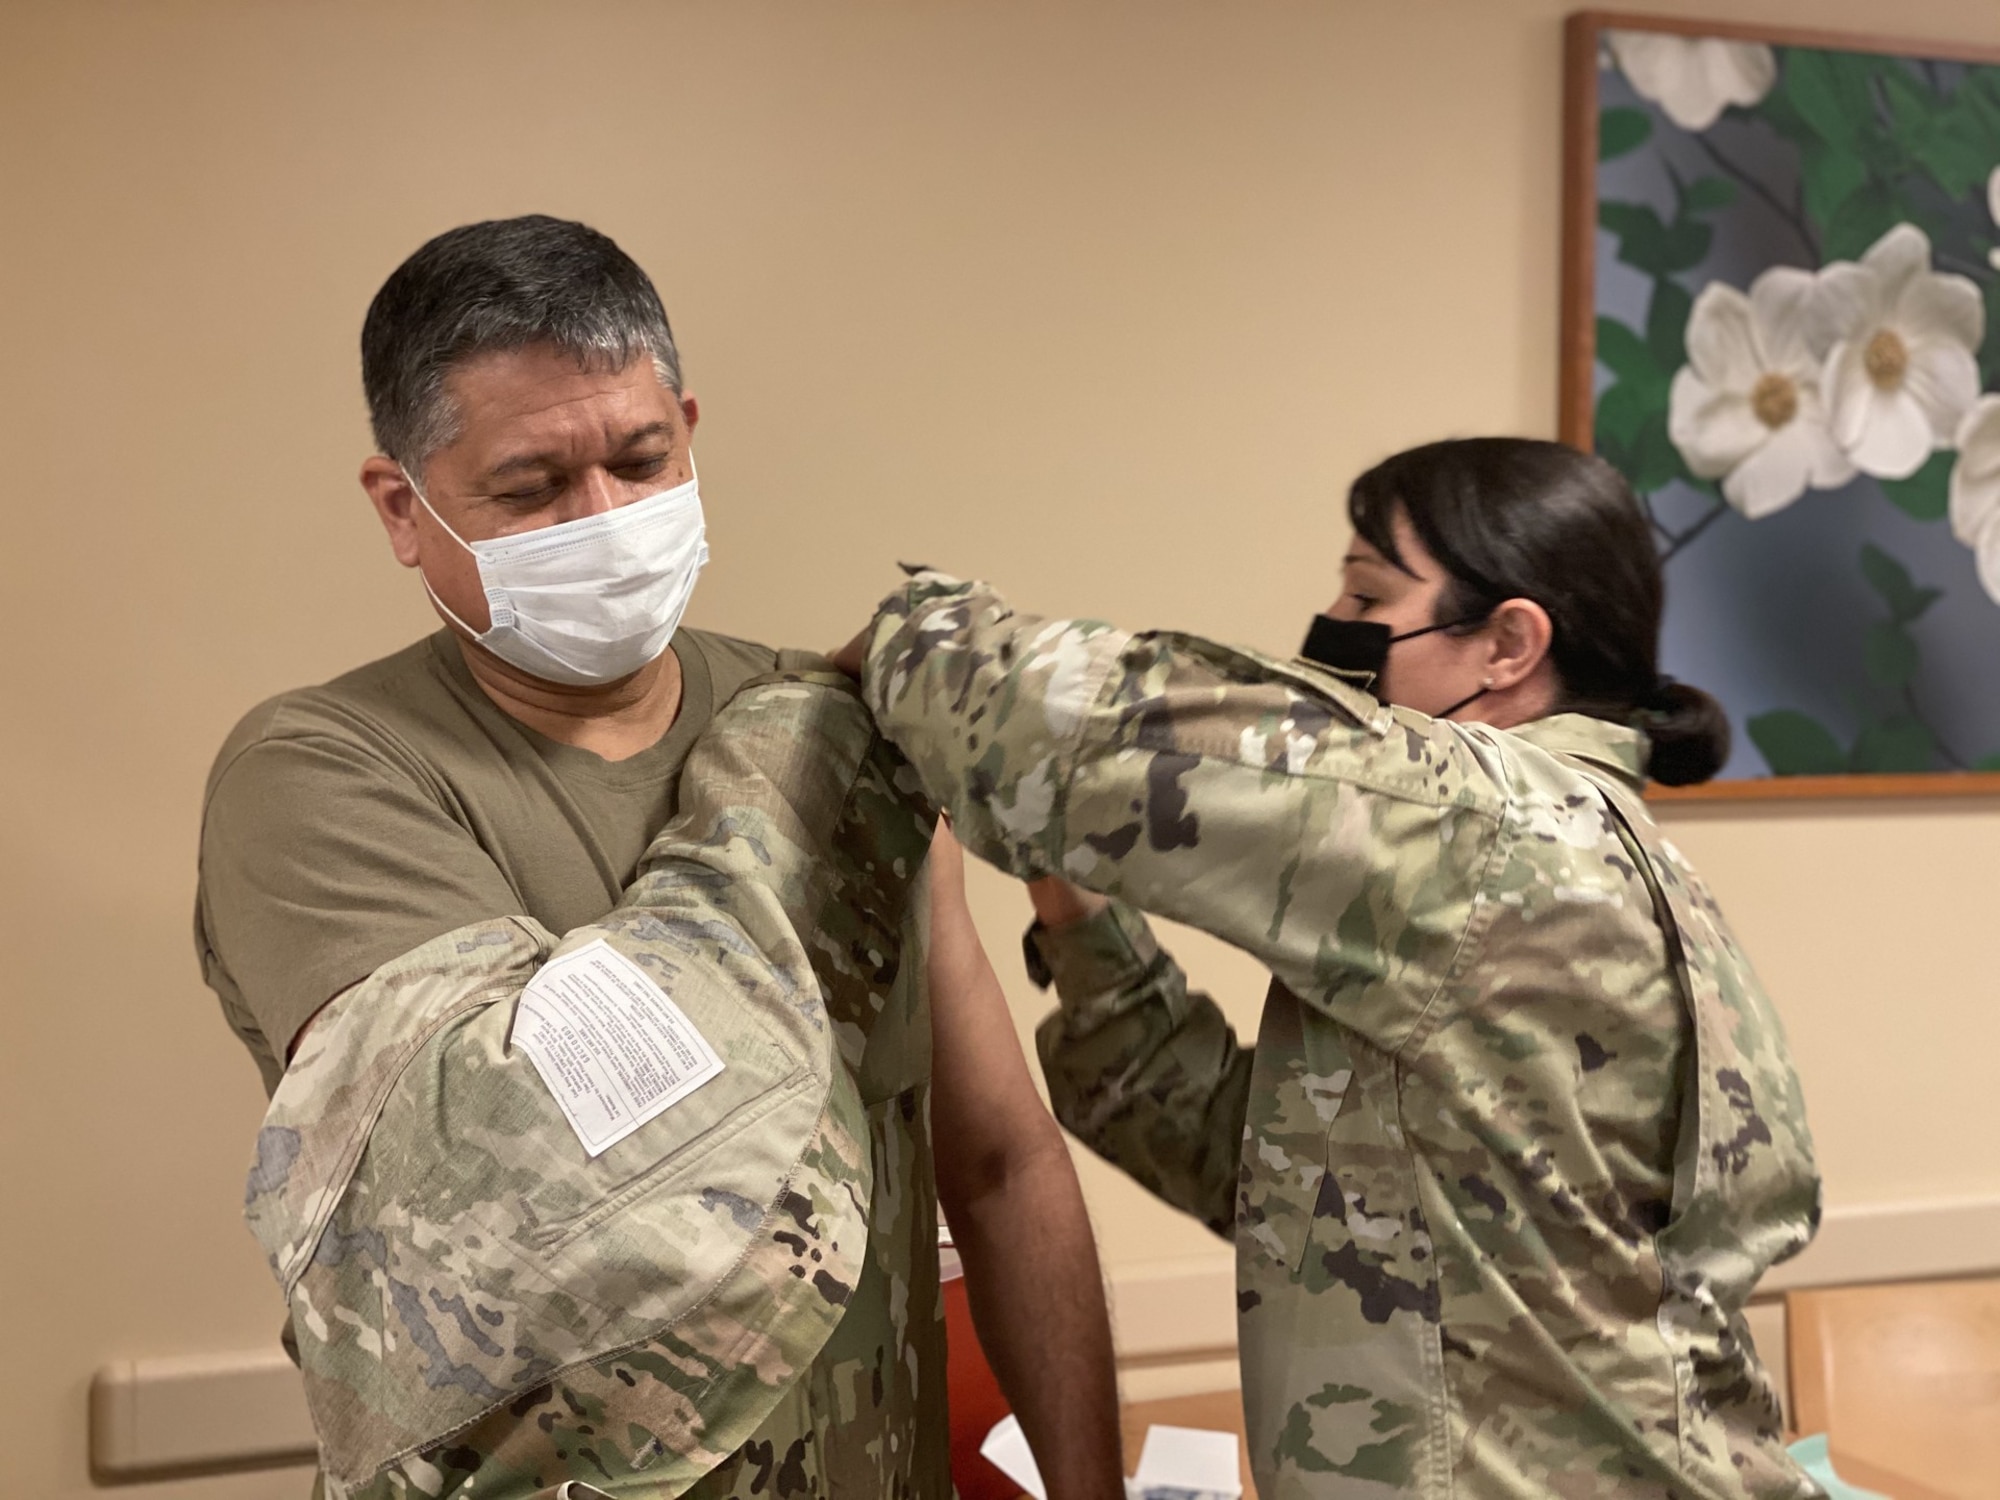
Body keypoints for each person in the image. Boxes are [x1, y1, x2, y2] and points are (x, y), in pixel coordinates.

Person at [196, 215, 1121, 1499]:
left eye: (643, 459)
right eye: (530, 489)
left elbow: (1001, 1158)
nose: (606, 518)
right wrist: (788, 756)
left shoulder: (850, 731)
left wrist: (1090, 1489)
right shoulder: (324, 773)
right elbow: (539, 1170)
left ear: (689, 427)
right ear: (404, 509)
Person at [841, 438, 1822, 1499]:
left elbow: (1071, 730)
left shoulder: (1490, 832)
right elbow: (1282, 1187)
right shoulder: (1614, 867)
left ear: (1507, 642)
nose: (1334, 629)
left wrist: (909, 639)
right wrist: (1075, 912)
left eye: (1367, 590)